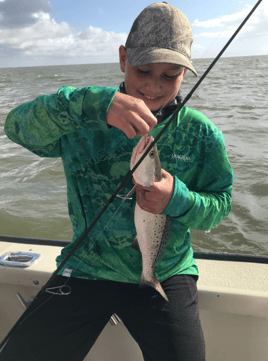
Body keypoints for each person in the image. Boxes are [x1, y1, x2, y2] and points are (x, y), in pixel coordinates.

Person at [1, 2, 233, 361]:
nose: (154, 86)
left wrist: (178, 200)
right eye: (143, 70)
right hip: (86, 268)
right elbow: (16, 127)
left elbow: (220, 205)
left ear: (185, 73)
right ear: (123, 58)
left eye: (170, 75)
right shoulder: (83, 118)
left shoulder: (200, 134)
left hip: (165, 270)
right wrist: (90, 105)